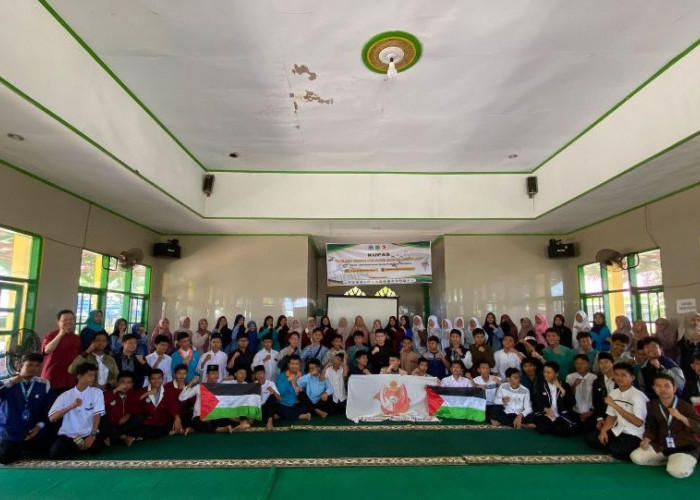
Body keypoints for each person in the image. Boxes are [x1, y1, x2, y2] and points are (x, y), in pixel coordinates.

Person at [630, 373, 700, 478]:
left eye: (667, 385)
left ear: (674, 388)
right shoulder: (652, 405)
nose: (662, 389)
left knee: (676, 472)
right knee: (636, 457)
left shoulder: (686, 406)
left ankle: (685, 462)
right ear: (654, 388)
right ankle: (668, 460)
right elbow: (651, 426)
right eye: (658, 386)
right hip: (663, 445)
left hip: (685, 447)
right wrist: (647, 439)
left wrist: (681, 416)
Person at [586, 362, 648, 459]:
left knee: (616, 450)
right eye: (617, 375)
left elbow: (638, 422)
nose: (619, 378)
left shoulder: (638, 396)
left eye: (623, 375)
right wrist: (603, 431)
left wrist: (614, 405)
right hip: (618, 430)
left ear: (632, 378)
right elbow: (611, 417)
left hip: (634, 433)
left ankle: (636, 447)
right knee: (592, 440)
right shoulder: (614, 393)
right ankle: (616, 445)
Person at [0, 354, 52, 464]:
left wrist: (39, 426)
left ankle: (23, 448)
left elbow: (49, 409)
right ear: (20, 366)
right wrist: (11, 382)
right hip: (10, 432)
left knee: (50, 452)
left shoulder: (43, 384)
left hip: (33, 431)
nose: (33, 369)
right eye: (29, 365)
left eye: (37, 366)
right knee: (5, 457)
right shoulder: (7, 383)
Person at [47, 362, 104, 459]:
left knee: (95, 448)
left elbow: (97, 415)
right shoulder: (65, 395)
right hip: (69, 435)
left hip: (87, 434)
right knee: (54, 454)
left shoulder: (97, 392)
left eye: (94, 375)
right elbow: (52, 418)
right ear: (79, 376)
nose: (93, 378)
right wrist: (71, 406)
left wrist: (92, 435)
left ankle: (79, 447)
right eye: (89, 375)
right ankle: (79, 447)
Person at [178, 365, 234, 434]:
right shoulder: (199, 387)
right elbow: (181, 398)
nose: (216, 376)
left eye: (217, 373)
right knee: (199, 424)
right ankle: (221, 429)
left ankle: (193, 429)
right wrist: (191, 382)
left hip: (213, 417)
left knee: (228, 419)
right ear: (207, 375)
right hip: (200, 417)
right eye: (213, 373)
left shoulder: (219, 388)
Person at [41, 309, 81, 395]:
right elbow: (47, 350)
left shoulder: (76, 338)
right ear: (58, 322)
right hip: (52, 378)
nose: (69, 322)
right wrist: (60, 334)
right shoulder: (51, 335)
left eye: (71, 319)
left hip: (70, 379)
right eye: (65, 320)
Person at [531, 362, 578, 436]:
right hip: (547, 414)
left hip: (561, 414)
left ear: (556, 374)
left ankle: (556, 426)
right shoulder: (540, 385)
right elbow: (537, 401)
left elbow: (572, 402)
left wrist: (560, 388)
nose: (545, 374)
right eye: (544, 372)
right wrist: (545, 409)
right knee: (542, 427)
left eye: (549, 372)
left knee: (565, 429)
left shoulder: (565, 385)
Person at [136, 369, 182, 438]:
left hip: (163, 422)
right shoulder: (142, 391)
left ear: (162, 379)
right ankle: (168, 432)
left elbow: (173, 405)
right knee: (139, 428)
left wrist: (177, 417)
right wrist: (147, 393)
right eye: (153, 379)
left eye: (159, 378)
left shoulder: (168, 391)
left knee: (178, 419)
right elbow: (134, 403)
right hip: (148, 423)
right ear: (149, 380)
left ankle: (163, 432)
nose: (157, 381)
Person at [101, 371, 140, 446]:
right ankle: (123, 437)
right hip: (111, 425)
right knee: (103, 421)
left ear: (132, 385)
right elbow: (102, 403)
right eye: (122, 382)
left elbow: (137, 408)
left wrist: (128, 415)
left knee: (138, 417)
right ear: (117, 383)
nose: (125, 385)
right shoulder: (109, 393)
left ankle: (114, 438)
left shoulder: (133, 394)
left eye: (128, 383)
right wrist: (115, 390)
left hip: (124, 425)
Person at [566, 354, 597, 431]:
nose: (579, 366)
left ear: (587, 364)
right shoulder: (570, 377)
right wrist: (574, 386)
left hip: (590, 411)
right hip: (575, 411)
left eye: (582, 363)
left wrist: (592, 412)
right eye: (577, 363)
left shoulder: (594, 378)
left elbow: (597, 397)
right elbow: (567, 397)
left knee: (589, 428)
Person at [275, 355, 311, 421]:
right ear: (288, 364)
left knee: (306, 405)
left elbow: (308, 390)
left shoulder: (303, 375)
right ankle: (300, 416)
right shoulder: (281, 376)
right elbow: (280, 391)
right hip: (285, 404)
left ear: (300, 365)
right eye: (292, 363)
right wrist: (288, 379)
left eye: (297, 364)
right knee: (279, 408)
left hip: (299, 404)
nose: (294, 366)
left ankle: (283, 415)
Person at [252, 365, 282, 430]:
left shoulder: (270, 383)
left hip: (269, 406)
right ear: (255, 376)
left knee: (272, 397)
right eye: (257, 374)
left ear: (264, 373)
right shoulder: (254, 385)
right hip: (259, 409)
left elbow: (280, 399)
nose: (259, 376)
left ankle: (270, 421)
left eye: (261, 373)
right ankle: (272, 416)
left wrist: (273, 391)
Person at [592, 352, 617, 428]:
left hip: (619, 413)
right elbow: (596, 403)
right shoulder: (597, 382)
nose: (603, 365)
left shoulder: (620, 379)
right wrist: (600, 418)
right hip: (604, 414)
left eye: (606, 362)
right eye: (601, 363)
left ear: (613, 363)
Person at [678, 312, 700, 380]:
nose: (695, 322)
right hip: (687, 361)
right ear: (687, 320)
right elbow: (680, 346)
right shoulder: (682, 331)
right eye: (693, 320)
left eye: (698, 320)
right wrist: (690, 340)